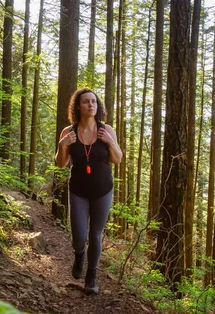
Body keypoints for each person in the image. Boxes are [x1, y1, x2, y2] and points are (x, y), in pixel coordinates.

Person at [55, 88, 122, 295]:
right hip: (78, 190)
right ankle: (79, 254)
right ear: (78, 106)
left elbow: (117, 159)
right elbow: (61, 164)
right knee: (78, 234)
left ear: (97, 105)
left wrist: (110, 141)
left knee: (95, 233)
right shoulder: (68, 132)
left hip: (103, 190)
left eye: (94, 101)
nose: (91, 105)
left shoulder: (106, 130)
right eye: (86, 101)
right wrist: (61, 145)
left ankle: (91, 275)